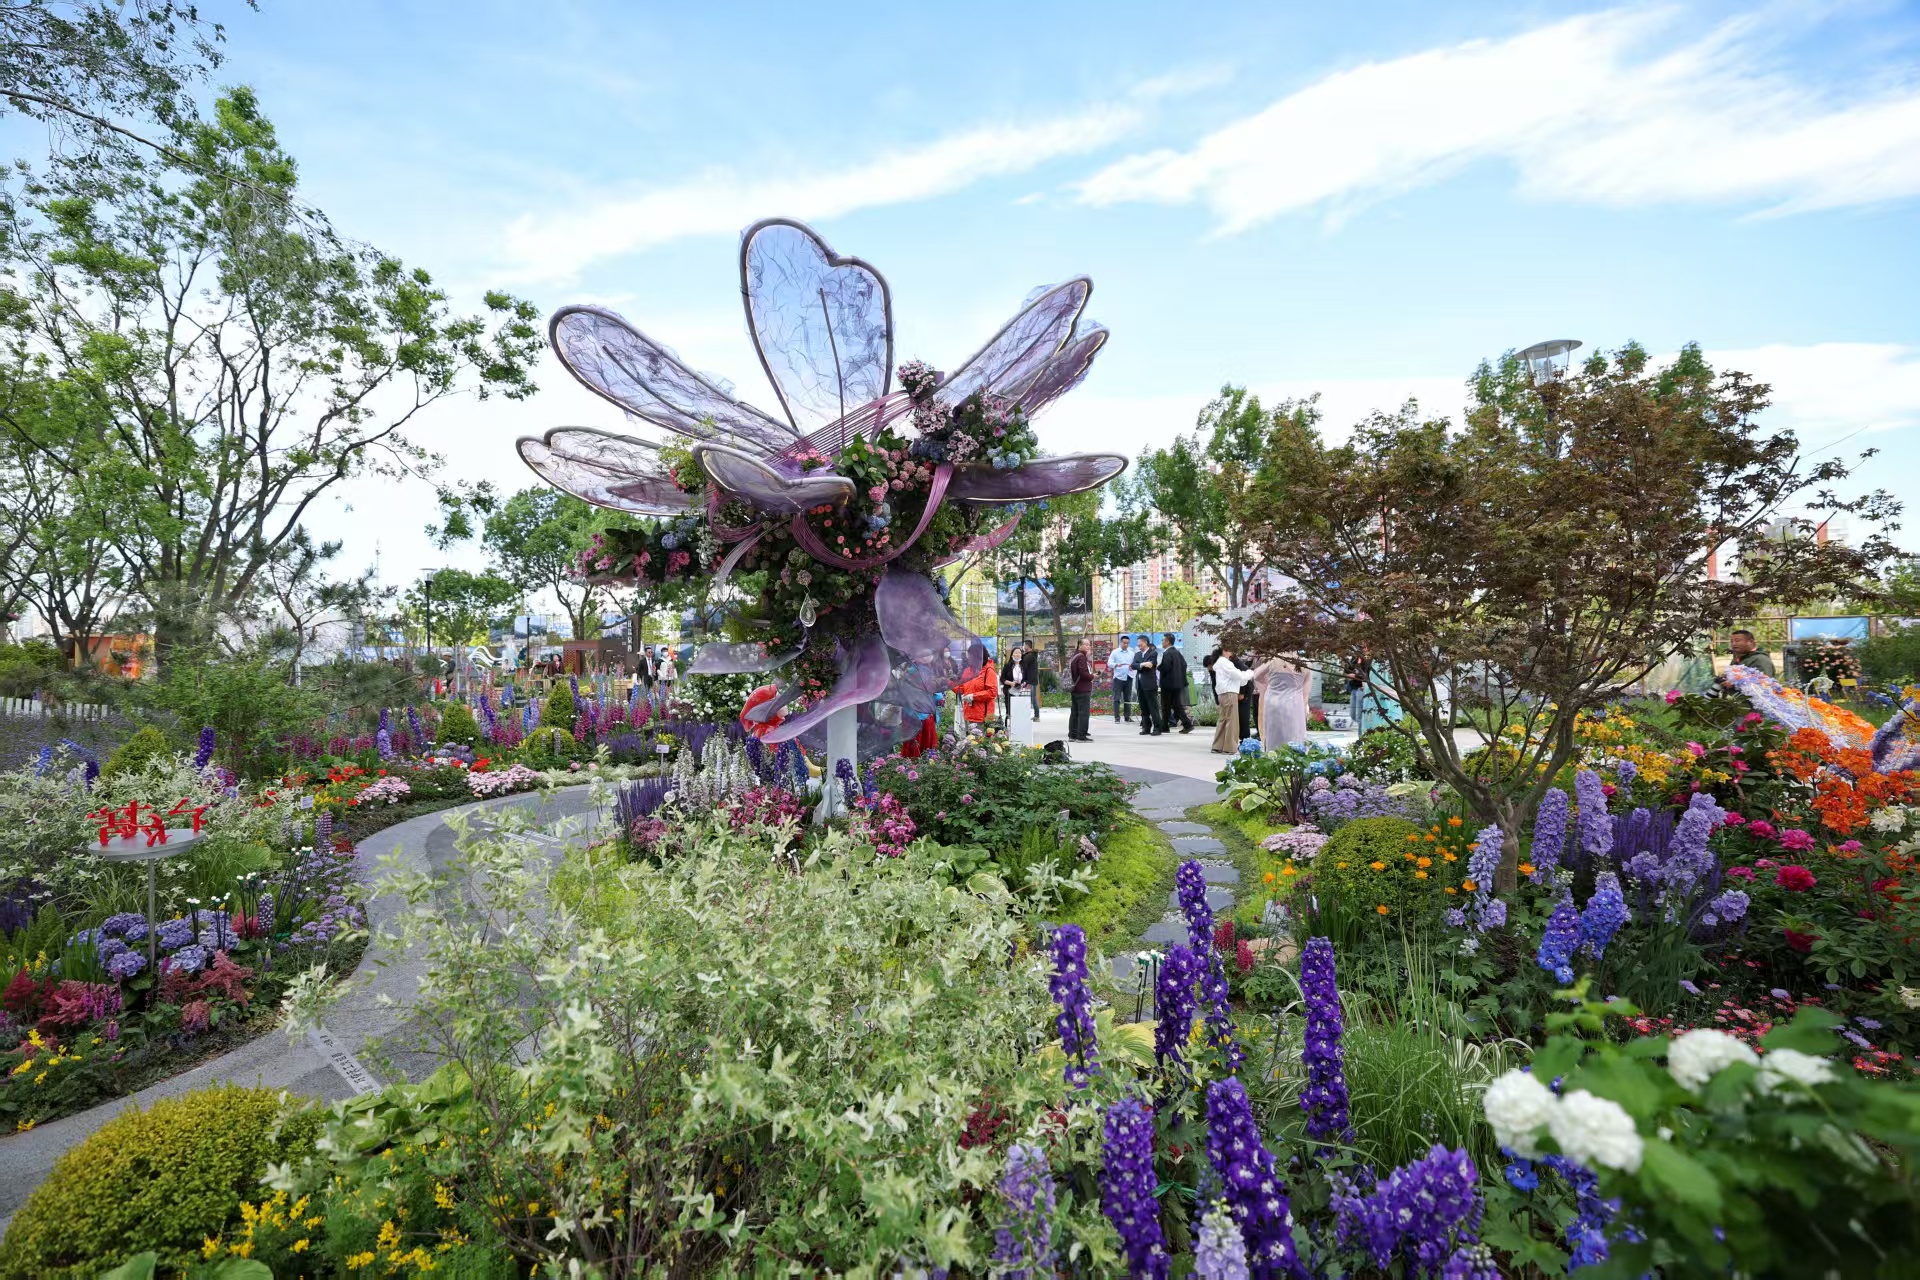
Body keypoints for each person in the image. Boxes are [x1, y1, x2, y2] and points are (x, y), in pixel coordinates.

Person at [1250, 654, 1311, 747]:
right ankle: (1293, 753)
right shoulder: (1305, 663)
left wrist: (1268, 685)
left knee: (1274, 734)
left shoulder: (1272, 660)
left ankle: (1273, 753)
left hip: (1274, 701)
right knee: (1293, 734)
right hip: (1294, 702)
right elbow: (1305, 694)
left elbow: (1256, 675)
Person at [1210, 647, 1252, 753]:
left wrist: (1244, 677)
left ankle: (1218, 746)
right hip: (1230, 693)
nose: (1232, 652)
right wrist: (1250, 673)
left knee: (1223, 720)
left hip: (1223, 694)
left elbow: (1239, 679)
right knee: (1232, 721)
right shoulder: (1225, 662)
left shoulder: (1219, 663)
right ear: (1224, 650)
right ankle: (1230, 748)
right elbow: (1238, 675)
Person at [1158, 633, 1194, 734]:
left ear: (1167, 641)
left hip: (1168, 684)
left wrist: (1158, 667)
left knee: (1166, 705)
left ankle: (1183, 725)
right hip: (1177, 684)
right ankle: (1168, 726)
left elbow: (1166, 667)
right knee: (1175, 705)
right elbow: (1184, 665)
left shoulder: (1167, 653)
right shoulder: (1177, 652)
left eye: (1163, 640)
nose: (1162, 642)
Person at [957, 653, 998, 734]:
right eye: (969, 656)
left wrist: (974, 696)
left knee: (981, 740)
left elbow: (992, 692)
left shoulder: (988, 670)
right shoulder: (968, 671)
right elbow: (961, 688)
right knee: (970, 739)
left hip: (984, 716)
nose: (969, 658)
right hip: (969, 713)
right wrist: (949, 683)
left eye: (971, 656)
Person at [1133, 635, 1162, 735]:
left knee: (1153, 707)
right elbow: (1133, 665)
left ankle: (1157, 728)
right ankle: (1146, 727)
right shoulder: (1137, 654)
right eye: (1138, 644)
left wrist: (1140, 664)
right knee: (1143, 707)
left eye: (1140, 644)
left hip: (1149, 684)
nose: (1139, 646)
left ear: (1145, 642)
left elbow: (1150, 665)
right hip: (1140, 684)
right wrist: (1142, 664)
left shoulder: (1153, 653)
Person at [1068, 639, 1095, 741]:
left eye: (1089, 645)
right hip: (1083, 688)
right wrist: (1092, 676)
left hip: (1075, 688)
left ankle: (1072, 734)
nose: (1088, 646)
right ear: (1080, 645)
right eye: (1086, 645)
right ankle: (1081, 735)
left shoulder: (1075, 656)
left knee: (1075, 713)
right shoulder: (1081, 657)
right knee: (1083, 713)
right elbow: (1083, 674)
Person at [1343, 649, 1373, 735]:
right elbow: (1346, 672)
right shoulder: (1355, 658)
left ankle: (1362, 738)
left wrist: (1356, 675)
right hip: (1354, 688)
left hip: (1362, 689)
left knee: (1360, 717)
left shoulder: (1370, 659)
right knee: (1353, 715)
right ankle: (1363, 735)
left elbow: (1368, 674)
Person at [1109, 635, 1135, 722]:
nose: (1126, 645)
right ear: (1121, 642)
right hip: (1118, 678)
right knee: (1117, 698)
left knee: (1128, 698)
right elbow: (1109, 663)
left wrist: (1132, 667)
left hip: (1129, 677)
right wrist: (1116, 664)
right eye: (1124, 643)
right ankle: (1117, 718)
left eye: (1127, 643)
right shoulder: (1115, 652)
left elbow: (1134, 664)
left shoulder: (1131, 653)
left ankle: (1127, 717)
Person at [1001, 645, 1025, 722]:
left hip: (1020, 692)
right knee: (1010, 712)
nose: (1017, 654)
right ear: (1012, 655)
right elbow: (1002, 679)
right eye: (1016, 653)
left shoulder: (1023, 666)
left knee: (1019, 712)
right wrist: (1011, 683)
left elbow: (1026, 678)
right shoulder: (1007, 666)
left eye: (1019, 653)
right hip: (1009, 691)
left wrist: (1024, 683)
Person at [1021, 645, 1042, 722]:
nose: (1023, 647)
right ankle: (1036, 715)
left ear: (1027, 646)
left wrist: (1021, 654)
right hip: (1031, 680)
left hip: (1031, 681)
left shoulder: (1030, 656)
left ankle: (1037, 716)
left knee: (1033, 698)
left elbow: (1022, 662)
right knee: (1033, 698)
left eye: (1024, 645)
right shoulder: (1032, 655)